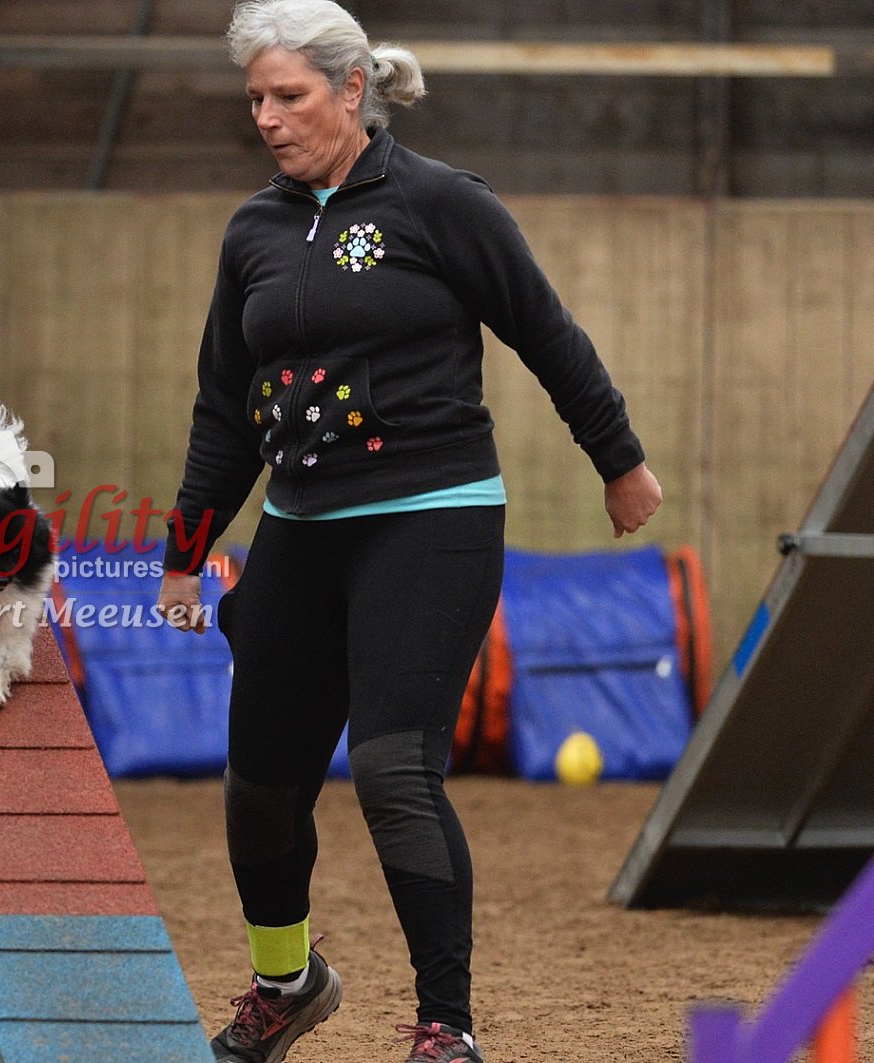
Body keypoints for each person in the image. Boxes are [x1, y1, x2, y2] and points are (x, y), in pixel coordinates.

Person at [156, 2, 663, 1061]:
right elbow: (225, 406)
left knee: (392, 768)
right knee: (258, 788)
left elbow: (544, 330)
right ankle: (286, 984)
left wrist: (617, 459)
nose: (267, 117)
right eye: (255, 99)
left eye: (288, 95)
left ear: (351, 90)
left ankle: (446, 1025)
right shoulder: (252, 231)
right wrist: (185, 549)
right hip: (301, 529)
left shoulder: (441, 203)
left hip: (432, 520)